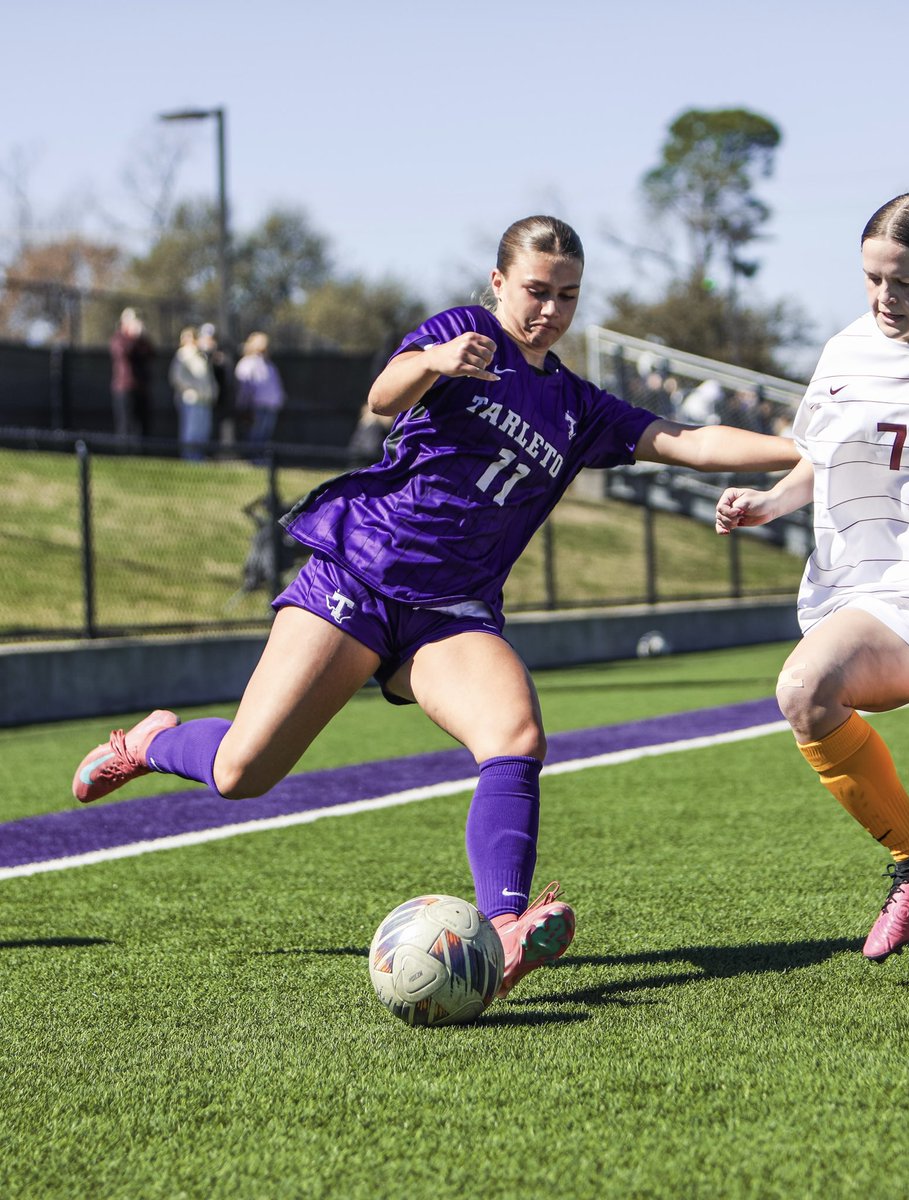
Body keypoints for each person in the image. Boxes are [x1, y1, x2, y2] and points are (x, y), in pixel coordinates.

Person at [72, 215, 798, 999]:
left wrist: (813, 447)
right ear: (497, 283)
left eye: (568, 296)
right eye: (536, 291)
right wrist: (437, 361)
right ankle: (151, 744)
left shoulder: (578, 407)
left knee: (515, 733)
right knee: (243, 771)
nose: (550, 310)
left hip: (452, 611)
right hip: (361, 574)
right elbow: (383, 397)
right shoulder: (464, 333)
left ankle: (507, 925)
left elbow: (688, 441)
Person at [715, 193, 909, 1016]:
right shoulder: (846, 351)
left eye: (907, 283)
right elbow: (820, 457)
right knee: (804, 694)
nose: (886, 298)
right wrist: (768, 504)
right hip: (886, 587)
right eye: (872, 279)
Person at [169, 326, 218, 461]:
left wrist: (212, 392)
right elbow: (177, 377)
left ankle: (199, 458)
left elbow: (209, 378)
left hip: (204, 399)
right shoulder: (182, 354)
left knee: (203, 431)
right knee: (191, 432)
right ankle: (189, 459)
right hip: (190, 399)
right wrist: (192, 389)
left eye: (192, 336)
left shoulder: (202, 356)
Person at [234, 332, 285, 456]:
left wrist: (279, 399)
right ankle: (252, 459)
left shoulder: (269, 365)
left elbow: (276, 385)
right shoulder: (247, 363)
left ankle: (260, 459)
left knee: (265, 434)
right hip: (255, 406)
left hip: (271, 406)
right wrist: (243, 404)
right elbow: (244, 386)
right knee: (255, 433)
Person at [109, 307, 155, 438]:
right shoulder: (118, 338)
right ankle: (125, 455)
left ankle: (142, 455)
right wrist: (134, 338)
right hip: (125, 388)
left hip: (141, 387)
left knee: (143, 424)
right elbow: (124, 353)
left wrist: (143, 338)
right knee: (126, 424)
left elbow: (151, 354)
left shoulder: (142, 341)